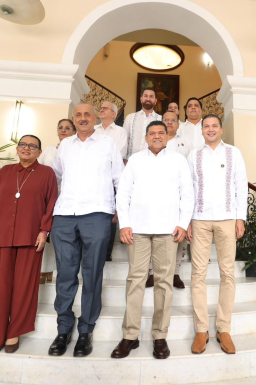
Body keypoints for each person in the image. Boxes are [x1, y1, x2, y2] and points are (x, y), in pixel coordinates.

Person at [111, 121, 194, 360]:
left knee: (164, 282)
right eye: (152, 133)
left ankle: (160, 335)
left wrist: (182, 222)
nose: (157, 136)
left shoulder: (178, 160)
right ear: (146, 138)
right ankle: (130, 335)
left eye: (161, 133)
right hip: (137, 228)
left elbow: (187, 194)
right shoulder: (136, 160)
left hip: (169, 229)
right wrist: (125, 223)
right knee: (135, 279)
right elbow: (124, 191)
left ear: (167, 136)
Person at [49, 103, 124, 357]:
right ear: (73, 118)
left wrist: (119, 209)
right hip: (65, 215)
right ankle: (63, 329)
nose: (83, 119)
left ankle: (85, 331)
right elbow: (56, 178)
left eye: (87, 115)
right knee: (66, 274)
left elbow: (119, 179)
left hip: (97, 213)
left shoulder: (107, 143)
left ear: (96, 118)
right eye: (78, 115)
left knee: (92, 274)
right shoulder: (65, 146)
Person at [0, 135, 57, 355]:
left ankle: (14, 332)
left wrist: (44, 231)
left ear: (39, 152)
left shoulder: (47, 173)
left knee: (24, 287)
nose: (27, 148)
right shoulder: (6, 172)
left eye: (32, 146)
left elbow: (50, 203)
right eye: (23, 145)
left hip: (30, 238)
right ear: (17, 149)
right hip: (3, 237)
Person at [187, 114, 248, 355]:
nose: (210, 130)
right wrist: (187, 220)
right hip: (200, 218)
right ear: (201, 131)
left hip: (226, 218)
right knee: (197, 274)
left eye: (214, 126)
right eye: (206, 126)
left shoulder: (234, 153)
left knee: (227, 273)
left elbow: (241, 185)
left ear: (221, 129)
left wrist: (240, 217)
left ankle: (224, 329)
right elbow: (189, 189)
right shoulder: (193, 155)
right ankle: (201, 330)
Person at [146, 111, 192, 289]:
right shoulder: (152, 144)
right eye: (167, 120)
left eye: (174, 120)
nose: (170, 122)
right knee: (152, 234)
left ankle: (175, 273)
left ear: (178, 124)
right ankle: (151, 273)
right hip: (155, 197)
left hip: (178, 194)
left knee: (178, 237)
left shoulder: (185, 144)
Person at [37, 118, 76, 284]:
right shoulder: (49, 149)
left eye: (68, 128)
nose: (64, 130)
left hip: (64, 198)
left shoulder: (76, 149)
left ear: (74, 131)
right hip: (45, 197)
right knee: (43, 233)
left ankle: (52, 270)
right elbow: (38, 169)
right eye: (60, 127)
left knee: (58, 236)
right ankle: (42, 269)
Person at [95, 101, 128, 262]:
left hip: (112, 176)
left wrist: (98, 157)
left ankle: (107, 252)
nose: (101, 110)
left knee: (110, 215)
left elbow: (119, 152)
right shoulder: (93, 130)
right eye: (101, 108)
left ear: (114, 114)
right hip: (93, 177)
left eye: (105, 108)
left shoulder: (121, 131)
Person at [124, 88, 161, 159]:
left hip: (153, 161)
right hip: (131, 161)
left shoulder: (160, 119)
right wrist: (125, 159)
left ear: (156, 101)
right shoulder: (130, 117)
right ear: (141, 99)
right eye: (145, 96)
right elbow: (125, 140)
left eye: (151, 96)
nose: (148, 99)